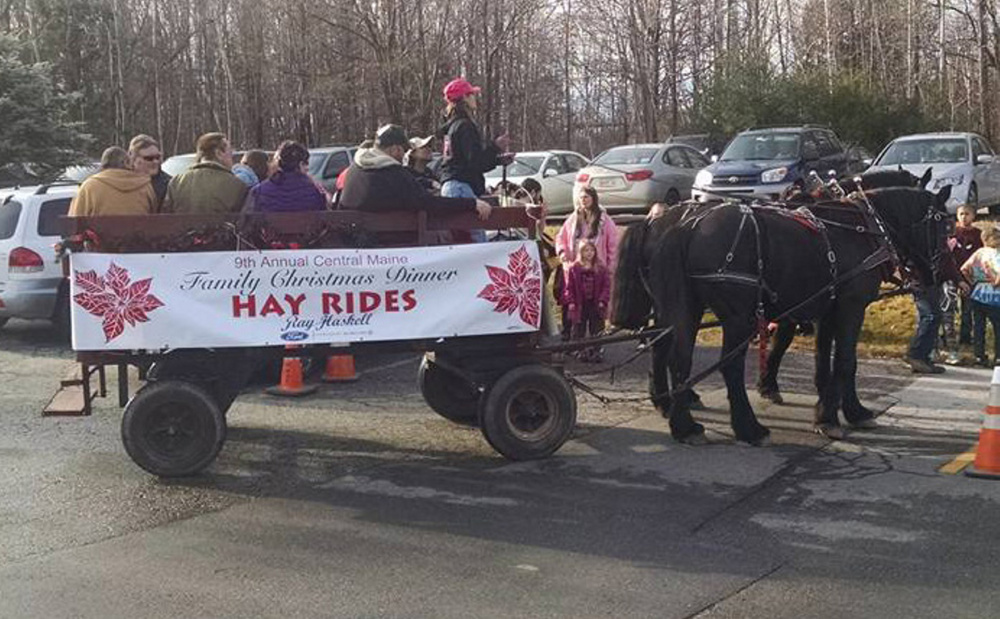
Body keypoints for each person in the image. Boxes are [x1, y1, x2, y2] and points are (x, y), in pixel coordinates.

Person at [340, 124, 492, 219]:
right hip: (391, 245)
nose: (403, 155)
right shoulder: (391, 171)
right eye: (402, 150)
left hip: (353, 240)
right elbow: (427, 203)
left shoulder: (355, 168)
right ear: (394, 149)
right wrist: (471, 204)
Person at [438, 78, 511, 240]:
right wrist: (495, 147)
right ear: (464, 98)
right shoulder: (465, 126)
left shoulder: (452, 127)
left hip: (451, 188)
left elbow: (465, 161)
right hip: (461, 189)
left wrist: (498, 160)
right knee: (477, 242)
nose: (475, 98)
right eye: (471, 94)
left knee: (460, 242)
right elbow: (476, 163)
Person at [554, 187, 618, 338]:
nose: (583, 200)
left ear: (594, 199)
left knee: (595, 306)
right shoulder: (573, 218)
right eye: (581, 197)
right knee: (571, 302)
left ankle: (596, 342)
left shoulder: (604, 220)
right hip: (575, 270)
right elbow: (561, 237)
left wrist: (610, 267)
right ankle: (569, 336)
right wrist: (562, 252)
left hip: (596, 271)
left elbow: (613, 245)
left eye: (587, 197)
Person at [161, 132, 247, 214]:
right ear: (218, 153)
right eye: (230, 153)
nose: (231, 158)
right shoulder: (236, 185)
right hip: (221, 229)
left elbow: (166, 215)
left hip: (183, 229)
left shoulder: (176, 181)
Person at [68, 146, 156, 217]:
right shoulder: (145, 186)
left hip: (100, 238)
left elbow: (75, 221)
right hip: (138, 238)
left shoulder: (89, 187)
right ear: (126, 163)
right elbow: (153, 216)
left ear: (103, 165)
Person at [243, 141, 327, 213]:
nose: (308, 168)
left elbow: (247, 220)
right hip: (307, 231)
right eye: (306, 163)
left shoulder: (259, 191)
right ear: (300, 164)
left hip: (273, 231)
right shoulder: (315, 191)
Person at [563, 238, 611, 362]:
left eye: (591, 250)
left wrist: (603, 300)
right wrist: (571, 301)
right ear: (580, 252)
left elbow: (606, 286)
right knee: (579, 327)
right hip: (580, 303)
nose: (589, 253)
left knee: (597, 327)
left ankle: (597, 350)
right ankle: (580, 349)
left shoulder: (601, 268)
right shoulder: (574, 268)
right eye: (586, 250)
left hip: (595, 303)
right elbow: (569, 287)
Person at [961, 226, 1000, 367]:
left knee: (979, 326)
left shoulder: (979, 253)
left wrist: (973, 281)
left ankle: (979, 356)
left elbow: (964, 269)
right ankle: (998, 357)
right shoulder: (996, 253)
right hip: (995, 294)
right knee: (998, 327)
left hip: (978, 292)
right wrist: (996, 282)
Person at [950, 204, 982, 347]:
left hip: (970, 276)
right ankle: (947, 336)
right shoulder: (952, 232)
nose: (964, 217)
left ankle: (966, 337)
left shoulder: (977, 234)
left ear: (973, 216)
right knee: (948, 307)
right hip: (951, 273)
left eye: (967, 214)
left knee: (967, 308)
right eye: (961, 214)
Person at [128, 134, 170, 208]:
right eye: (149, 158)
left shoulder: (169, 185)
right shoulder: (123, 181)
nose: (155, 162)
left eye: (157, 157)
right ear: (134, 160)